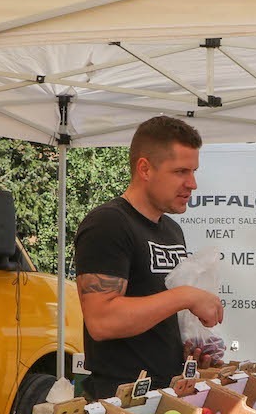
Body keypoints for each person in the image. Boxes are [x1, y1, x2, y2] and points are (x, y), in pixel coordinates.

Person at [72, 116, 223, 399]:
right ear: (145, 169)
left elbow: (156, 313)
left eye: (193, 171)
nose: (192, 184)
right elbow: (101, 321)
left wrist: (189, 348)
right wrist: (186, 296)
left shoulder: (172, 230)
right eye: (180, 171)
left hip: (167, 393)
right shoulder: (108, 224)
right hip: (121, 399)